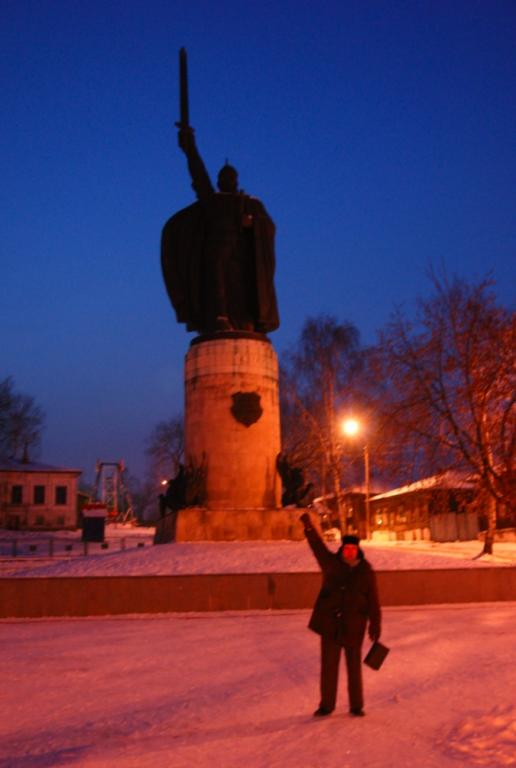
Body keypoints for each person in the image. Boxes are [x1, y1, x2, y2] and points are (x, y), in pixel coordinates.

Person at [161, 125, 279, 336]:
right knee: (217, 287)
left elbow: (268, 226)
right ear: (218, 181)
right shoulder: (211, 200)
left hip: (241, 253)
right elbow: (198, 175)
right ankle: (219, 318)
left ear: (236, 180)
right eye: (224, 178)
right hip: (215, 250)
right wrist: (190, 149)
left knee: (242, 285)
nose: (228, 181)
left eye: (231, 178)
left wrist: (252, 224)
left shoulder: (249, 203)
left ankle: (246, 321)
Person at [300, 511, 381, 718]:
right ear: (342, 549)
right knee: (329, 666)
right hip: (330, 625)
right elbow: (318, 547)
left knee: (354, 667)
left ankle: (356, 705)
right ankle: (327, 705)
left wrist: (375, 624)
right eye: (347, 548)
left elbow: (373, 601)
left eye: (353, 549)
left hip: (354, 625)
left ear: (358, 550)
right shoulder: (331, 564)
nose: (350, 552)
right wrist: (309, 528)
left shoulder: (366, 571)